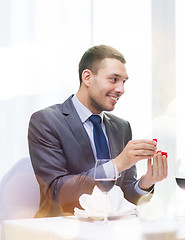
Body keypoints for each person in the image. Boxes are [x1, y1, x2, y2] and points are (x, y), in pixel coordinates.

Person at [28, 45, 168, 217]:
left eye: (124, 82)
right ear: (87, 77)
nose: (121, 89)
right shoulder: (46, 121)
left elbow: (124, 198)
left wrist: (146, 182)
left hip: (110, 230)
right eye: (113, 79)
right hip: (61, 228)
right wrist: (118, 164)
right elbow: (55, 191)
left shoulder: (122, 127)